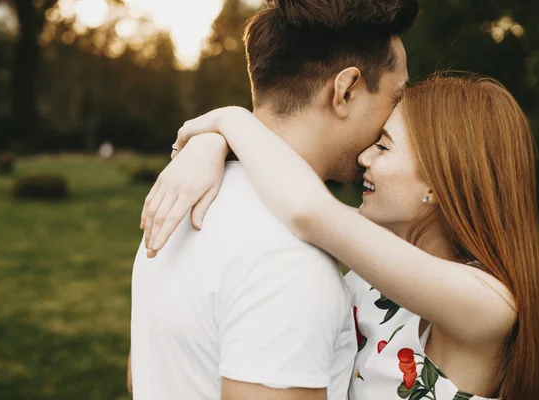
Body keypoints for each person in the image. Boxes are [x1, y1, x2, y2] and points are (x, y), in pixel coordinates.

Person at [141, 74, 539, 400]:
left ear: (437, 183)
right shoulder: (381, 259)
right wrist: (211, 146)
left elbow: (308, 210)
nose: (364, 156)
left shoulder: (487, 304)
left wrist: (229, 121)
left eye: (384, 146)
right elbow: (285, 187)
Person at [129, 0, 419, 398]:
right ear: (346, 90)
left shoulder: (182, 204)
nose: (397, 117)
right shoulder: (289, 259)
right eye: (396, 97)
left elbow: (143, 374)